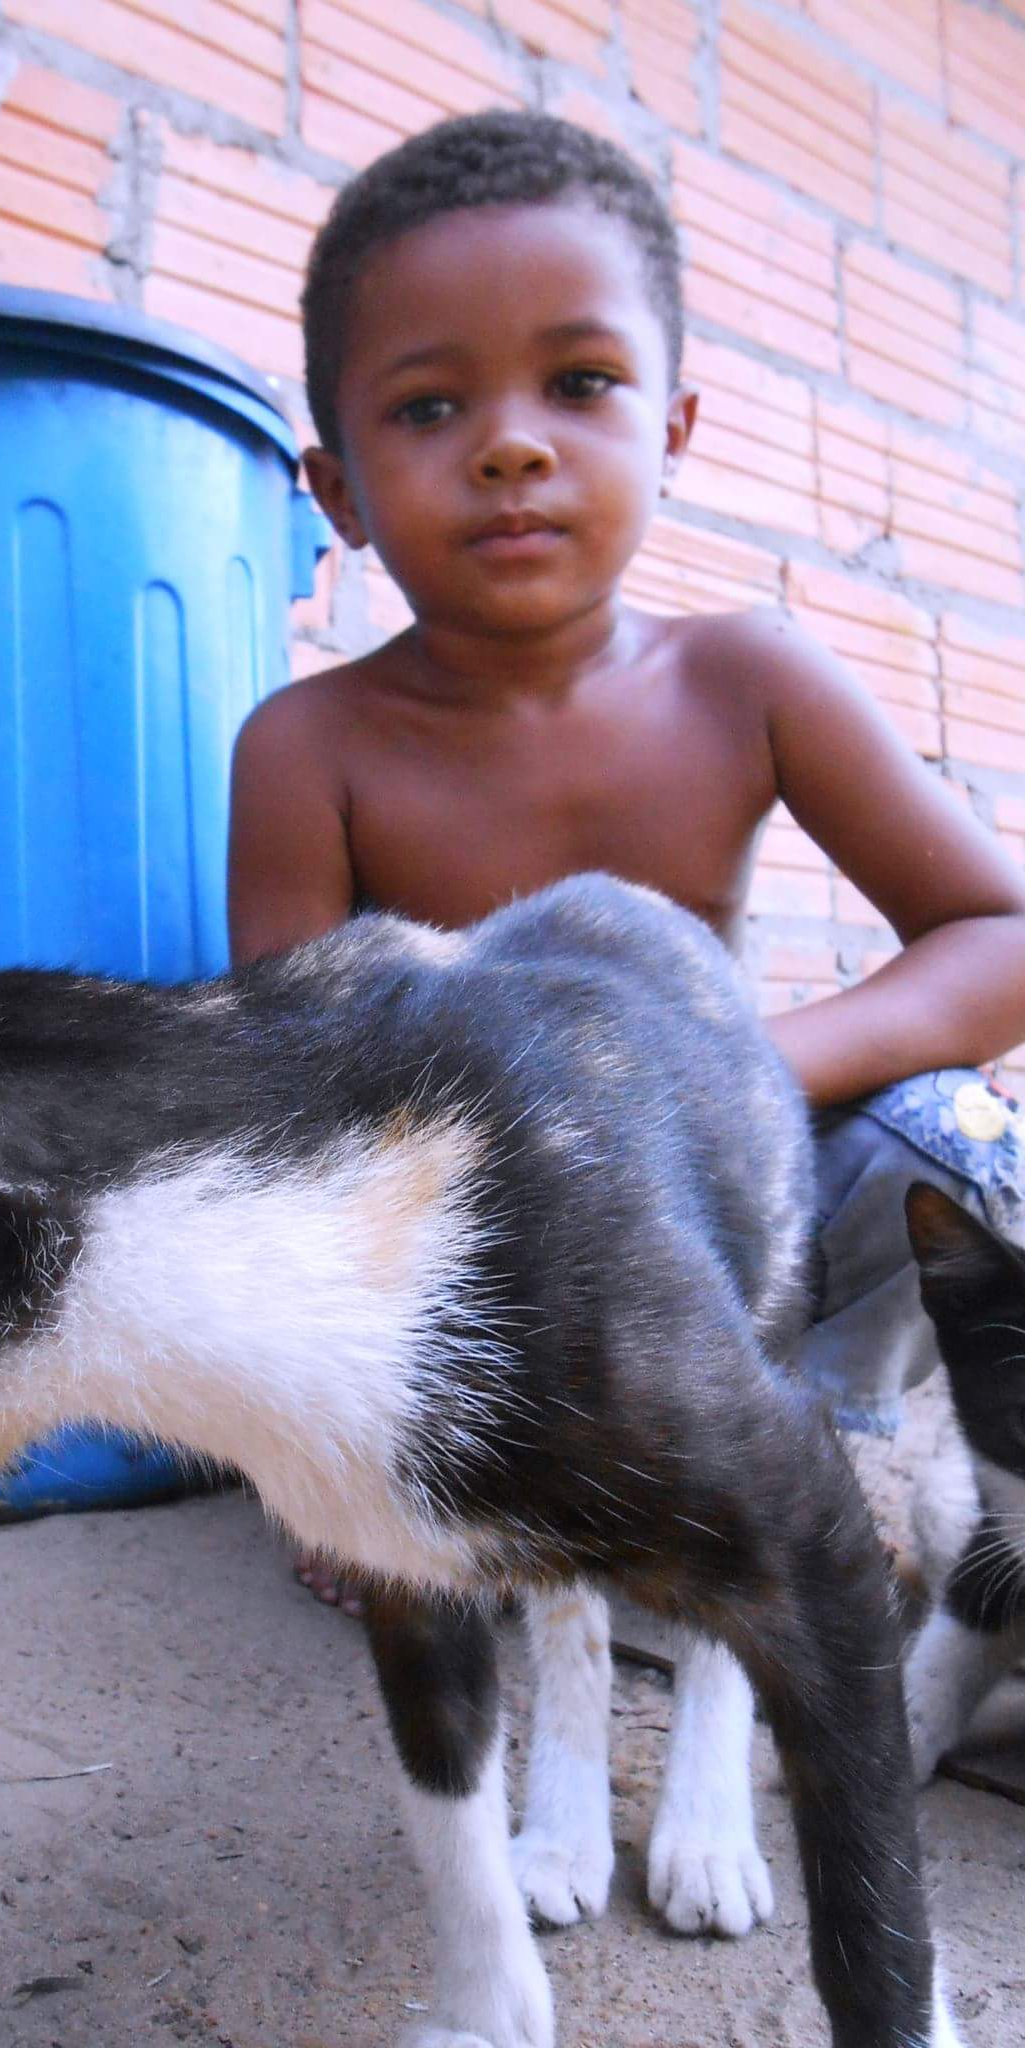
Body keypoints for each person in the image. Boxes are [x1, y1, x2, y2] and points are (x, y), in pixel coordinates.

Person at [226, 110, 1025, 1612]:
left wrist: (738, 1065)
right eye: (429, 407)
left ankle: (805, 1445)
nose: (511, 445)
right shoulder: (309, 748)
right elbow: (293, 1104)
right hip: (471, 1235)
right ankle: (451, 1484)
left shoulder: (749, 680)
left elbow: (999, 937)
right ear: (339, 497)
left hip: (725, 1219)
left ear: (671, 430)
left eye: (580, 384)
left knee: (959, 1143)